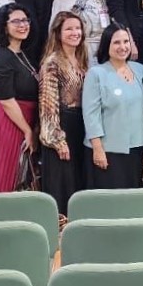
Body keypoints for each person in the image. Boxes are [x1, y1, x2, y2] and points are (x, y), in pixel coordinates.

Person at [0, 4, 40, 193]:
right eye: (16, 21)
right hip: (9, 122)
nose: (23, 25)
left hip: (23, 120)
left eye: (25, 20)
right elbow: (6, 100)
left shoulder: (24, 54)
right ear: (4, 27)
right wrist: (27, 130)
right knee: (6, 180)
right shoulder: (1, 55)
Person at [83, 23, 143, 188]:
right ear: (107, 45)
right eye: (117, 42)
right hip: (109, 150)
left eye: (126, 42)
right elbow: (91, 115)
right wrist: (97, 148)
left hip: (139, 148)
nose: (123, 47)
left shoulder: (140, 69)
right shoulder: (96, 73)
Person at [38, 11, 90, 214]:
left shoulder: (82, 59)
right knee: (63, 187)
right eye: (69, 29)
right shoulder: (52, 62)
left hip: (80, 127)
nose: (75, 32)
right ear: (58, 33)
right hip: (62, 127)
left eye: (78, 28)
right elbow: (48, 104)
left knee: (78, 185)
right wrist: (57, 140)